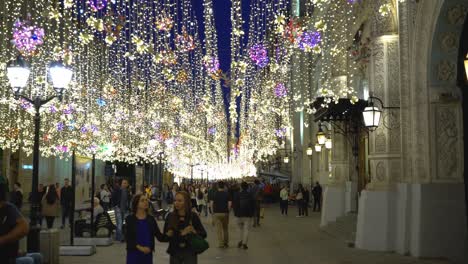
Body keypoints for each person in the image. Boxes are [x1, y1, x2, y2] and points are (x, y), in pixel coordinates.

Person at [163, 191, 207, 264]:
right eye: (175, 200)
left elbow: (204, 234)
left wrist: (194, 231)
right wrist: (171, 234)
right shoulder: (170, 216)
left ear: (186, 202)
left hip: (190, 252)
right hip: (175, 251)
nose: (176, 203)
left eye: (180, 201)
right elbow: (165, 237)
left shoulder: (193, 216)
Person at [125, 194, 164, 264]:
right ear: (136, 204)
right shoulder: (130, 219)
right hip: (134, 253)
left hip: (147, 254)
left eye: (146, 200)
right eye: (142, 200)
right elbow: (128, 237)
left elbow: (159, 236)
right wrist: (140, 248)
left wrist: (170, 234)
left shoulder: (151, 219)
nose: (146, 202)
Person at [232, 182, 254, 250]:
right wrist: (252, 214)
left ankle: (240, 241)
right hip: (247, 215)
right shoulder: (250, 195)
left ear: (241, 187)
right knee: (246, 229)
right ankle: (245, 243)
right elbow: (253, 205)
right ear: (247, 187)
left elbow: (234, 205)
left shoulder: (237, 194)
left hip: (239, 214)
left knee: (239, 229)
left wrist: (235, 213)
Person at [211, 181, 231, 248]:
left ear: (217, 186)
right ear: (224, 186)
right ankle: (226, 243)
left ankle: (221, 244)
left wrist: (212, 213)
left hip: (216, 213)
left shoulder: (214, 194)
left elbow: (211, 204)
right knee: (225, 228)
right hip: (225, 213)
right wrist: (228, 212)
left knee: (219, 230)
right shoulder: (227, 194)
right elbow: (229, 204)